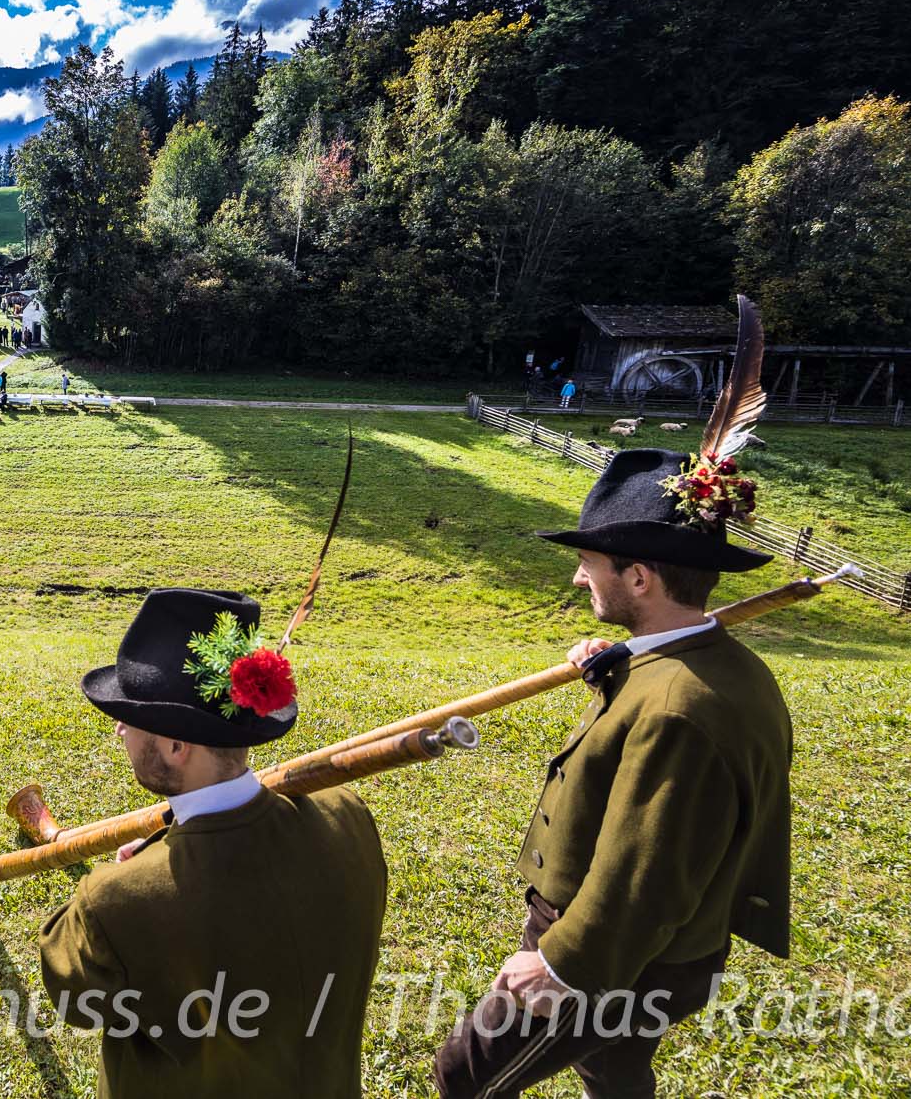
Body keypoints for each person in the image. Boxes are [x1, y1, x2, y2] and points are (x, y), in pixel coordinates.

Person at [432, 446, 790, 1099]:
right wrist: (618, 670)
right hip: (653, 950)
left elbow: (647, 879)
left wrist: (564, 966)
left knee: (466, 1074)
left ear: (641, 578)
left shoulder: (682, 709)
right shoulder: (700, 665)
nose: (577, 580)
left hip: (615, 954)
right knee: (612, 1069)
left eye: (587, 563)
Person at [40, 588, 386, 1098]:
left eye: (133, 720)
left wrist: (141, 872)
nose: (119, 730)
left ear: (177, 746)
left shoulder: (115, 902)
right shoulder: (349, 816)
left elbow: (70, 990)